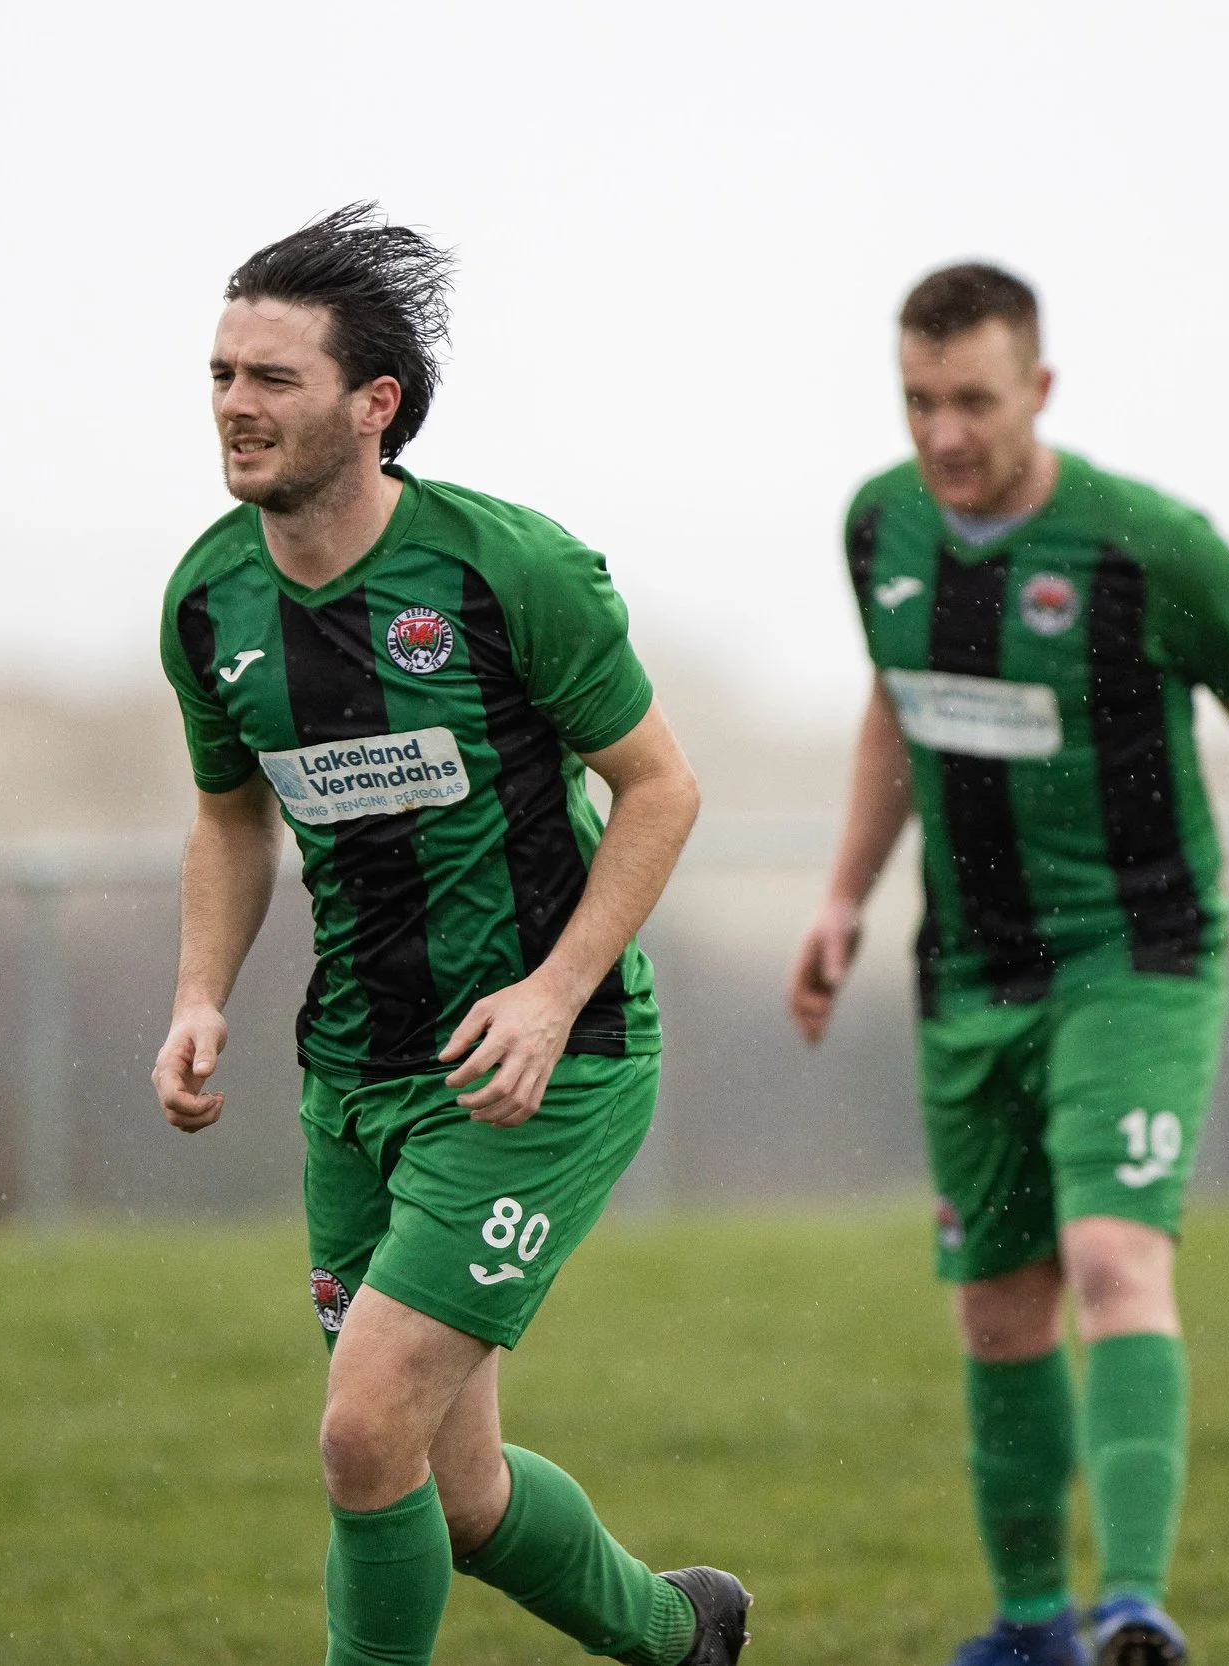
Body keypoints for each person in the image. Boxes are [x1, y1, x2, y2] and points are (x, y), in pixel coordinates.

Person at [788, 263, 1229, 1666]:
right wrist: (841, 895)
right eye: (917, 399)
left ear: (1042, 391)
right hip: (966, 972)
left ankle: (1134, 1603)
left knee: (1115, 1258)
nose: (942, 432)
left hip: (1136, 958)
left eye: (973, 401)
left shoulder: (1149, 546)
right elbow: (897, 709)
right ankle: (1032, 1627)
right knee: (998, 1303)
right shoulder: (879, 525)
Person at [152, 204, 749, 1666]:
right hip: (354, 1070)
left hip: (539, 1064)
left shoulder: (505, 570)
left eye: (272, 378)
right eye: (222, 371)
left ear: (376, 406)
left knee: (362, 1432)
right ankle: (683, 1639)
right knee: (453, 1491)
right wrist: (197, 995)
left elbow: (661, 785)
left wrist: (552, 995)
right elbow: (232, 817)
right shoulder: (207, 597)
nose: (235, 403)